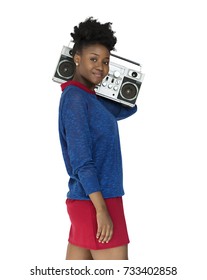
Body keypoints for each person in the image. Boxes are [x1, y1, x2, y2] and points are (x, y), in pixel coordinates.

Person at [58, 17, 137, 260]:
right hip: (99, 200)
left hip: (88, 199)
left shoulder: (89, 98)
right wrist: (102, 210)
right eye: (93, 59)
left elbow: (127, 108)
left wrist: (114, 84)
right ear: (76, 58)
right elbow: (81, 159)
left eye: (105, 62)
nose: (101, 67)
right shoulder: (75, 99)